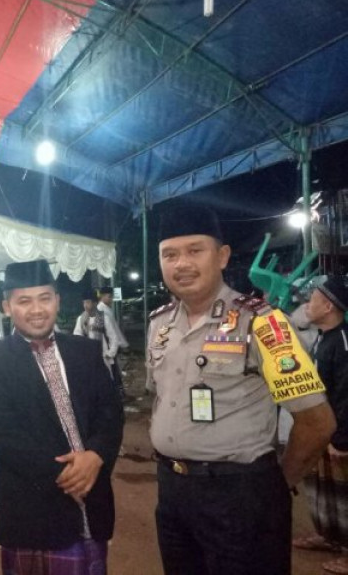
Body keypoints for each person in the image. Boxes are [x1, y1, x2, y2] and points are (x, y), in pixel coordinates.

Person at [148, 206, 335, 575]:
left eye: (195, 250)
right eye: (170, 254)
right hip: (172, 491)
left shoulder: (263, 322)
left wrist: (275, 485)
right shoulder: (160, 324)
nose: (182, 263)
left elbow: (317, 421)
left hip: (241, 495)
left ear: (222, 256)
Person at [0, 259, 124, 574]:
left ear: (57, 300)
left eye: (44, 298)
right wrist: (72, 474)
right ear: (7, 307)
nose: (36, 309)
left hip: (92, 503)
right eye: (24, 301)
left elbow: (110, 412)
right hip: (33, 511)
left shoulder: (85, 351)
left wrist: (95, 456)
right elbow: (2, 434)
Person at [294, 276, 348, 573]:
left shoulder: (342, 342)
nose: (306, 305)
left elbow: (345, 394)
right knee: (323, 490)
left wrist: (341, 439)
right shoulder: (322, 337)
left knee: (343, 495)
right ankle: (328, 535)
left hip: (338, 435)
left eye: (312, 299)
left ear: (328, 306)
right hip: (322, 432)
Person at [74, 294, 120, 377]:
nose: (85, 305)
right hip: (88, 357)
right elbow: (77, 337)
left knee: (106, 379)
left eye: (88, 302)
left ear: (95, 303)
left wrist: (110, 353)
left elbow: (113, 338)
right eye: (84, 303)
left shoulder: (104, 318)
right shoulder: (81, 319)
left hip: (103, 356)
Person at [96, 286, 128, 399]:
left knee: (115, 372)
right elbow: (101, 334)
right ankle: (117, 395)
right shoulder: (100, 311)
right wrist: (112, 349)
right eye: (109, 297)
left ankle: (119, 394)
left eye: (111, 297)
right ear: (102, 296)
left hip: (111, 347)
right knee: (112, 373)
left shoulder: (105, 309)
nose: (111, 299)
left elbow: (113, 330)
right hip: (107, 348)